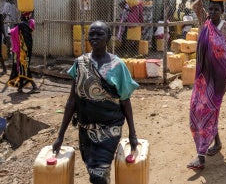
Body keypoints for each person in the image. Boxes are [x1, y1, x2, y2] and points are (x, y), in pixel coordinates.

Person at [52, 21, 140, 184]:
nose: (94, 37)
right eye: (91, 34)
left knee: (98, 175)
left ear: (108, 37)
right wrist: (60, 136)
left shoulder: (118, 66)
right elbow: (72, 101)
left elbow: (125, 101)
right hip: (85, 129)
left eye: (99, 34)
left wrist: (132, 134)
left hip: (109, 129)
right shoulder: (80, 63)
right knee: (95, 172)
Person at [187, 0, 226, 170]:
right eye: (211, 9)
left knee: (208, 110)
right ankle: (217, 143)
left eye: (217, 9)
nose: (213, 12)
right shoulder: (203, 22)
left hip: (221, 77)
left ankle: (201, 156)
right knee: (200, 110)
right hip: (204, 76)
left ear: (223, 11)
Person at [7, 12, 39, 93]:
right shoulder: (30, 24)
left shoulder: (21, 25)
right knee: (23, 67)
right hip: (29, 49)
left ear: (24, 17)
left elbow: (11, 33)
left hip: (23, 50)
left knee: (25, 67)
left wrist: (8, 27)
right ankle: (20, 87)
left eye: (21, 15)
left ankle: (34, 86)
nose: (20, 16)